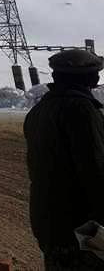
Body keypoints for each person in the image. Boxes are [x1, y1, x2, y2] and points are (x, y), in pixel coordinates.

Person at [25, 49, 104, 270]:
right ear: (89, 78)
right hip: (81, 227)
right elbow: (94, 171)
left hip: (48, 220)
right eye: (95, 73)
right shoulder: (82, 110)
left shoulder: (39, 111)